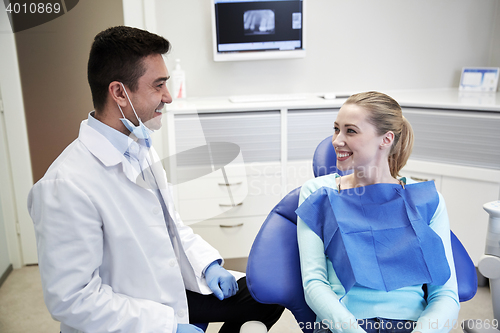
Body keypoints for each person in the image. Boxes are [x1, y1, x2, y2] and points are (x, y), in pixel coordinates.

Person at [27, 26, 283, 333]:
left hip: (167, 289)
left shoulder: (138, 145)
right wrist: (167, 327)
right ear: (119, 92)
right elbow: (72, 300)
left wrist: (207, 264)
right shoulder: (65, 185)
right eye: (158, 85)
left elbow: (171, 227)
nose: (168, 97)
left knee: (272, 293)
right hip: (130, 315)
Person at [295, 91, 459, 333]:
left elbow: (445, 293)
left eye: (350, 131)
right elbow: (314, 284)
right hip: (344, 326)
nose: (337, 140)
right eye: (336, 129)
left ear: (386, 139)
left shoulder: (425, 200)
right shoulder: (319, 193)